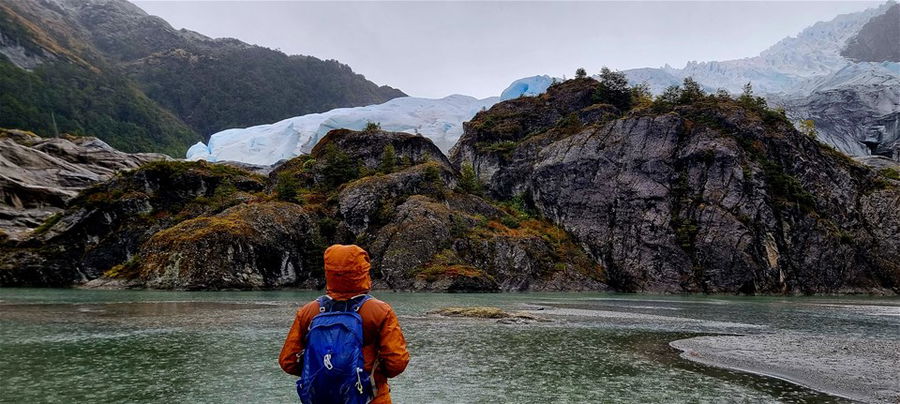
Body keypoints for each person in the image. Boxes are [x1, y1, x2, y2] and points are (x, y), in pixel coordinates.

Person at [279, 244, 409, 404]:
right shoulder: (380, 311)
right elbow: (396, 363)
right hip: (370, 397)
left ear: (329, 273)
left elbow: (288, 361)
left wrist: (325, 372)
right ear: (363, 271)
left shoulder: (309, 311)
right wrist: (372, 373)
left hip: (322, 398)